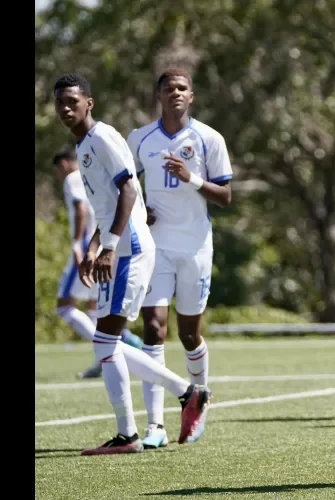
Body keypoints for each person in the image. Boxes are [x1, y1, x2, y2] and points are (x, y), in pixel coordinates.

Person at [53, 72, 212, 455]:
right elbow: (105, 207)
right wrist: (94, 246)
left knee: (106, 341)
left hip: (130, 248)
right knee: (105, 341)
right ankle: (184, 394)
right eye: (60, 102)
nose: (65, 108)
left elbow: (129, 188)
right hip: (117, 247)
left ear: (89, 103)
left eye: (73, 101)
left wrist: (107, 246)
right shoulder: (84, 147)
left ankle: (132, 433)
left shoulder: (103, 136)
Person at [127, 67, 232, 449]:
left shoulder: (208, 138)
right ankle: (155, 424)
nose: (175, 92)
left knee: (189, 334)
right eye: (168, 87)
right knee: (153, 329)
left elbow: (225, 197)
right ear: (158, 95)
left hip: (195, 248)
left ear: (192, 96)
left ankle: (199, 399)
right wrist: (140, 210)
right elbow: (124, 183)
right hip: (154, 248)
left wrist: (190, 178)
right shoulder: (139, 138)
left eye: (182, 87)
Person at [53, 146, 145, 380]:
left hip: (87, 246)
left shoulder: (73, 178)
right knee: (95, 307)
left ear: (63, 164)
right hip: (102, 240)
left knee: (65, 306)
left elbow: (80, 208)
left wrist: (77, 244)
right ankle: (106, 357)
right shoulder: (89, 174)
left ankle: (115, 344)